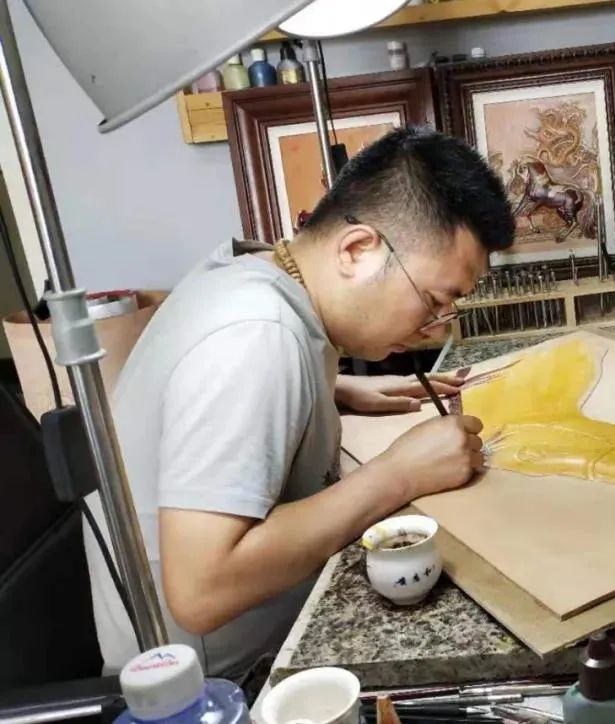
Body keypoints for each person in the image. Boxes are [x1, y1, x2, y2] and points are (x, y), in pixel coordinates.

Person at [82, 126, 515, 677]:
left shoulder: (252, 271)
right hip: (216, 684)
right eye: (433, 300)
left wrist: (326, 390)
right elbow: (200, 591)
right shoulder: (255, 336)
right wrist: (400, 474)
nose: (436, 327)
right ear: (357, 250)